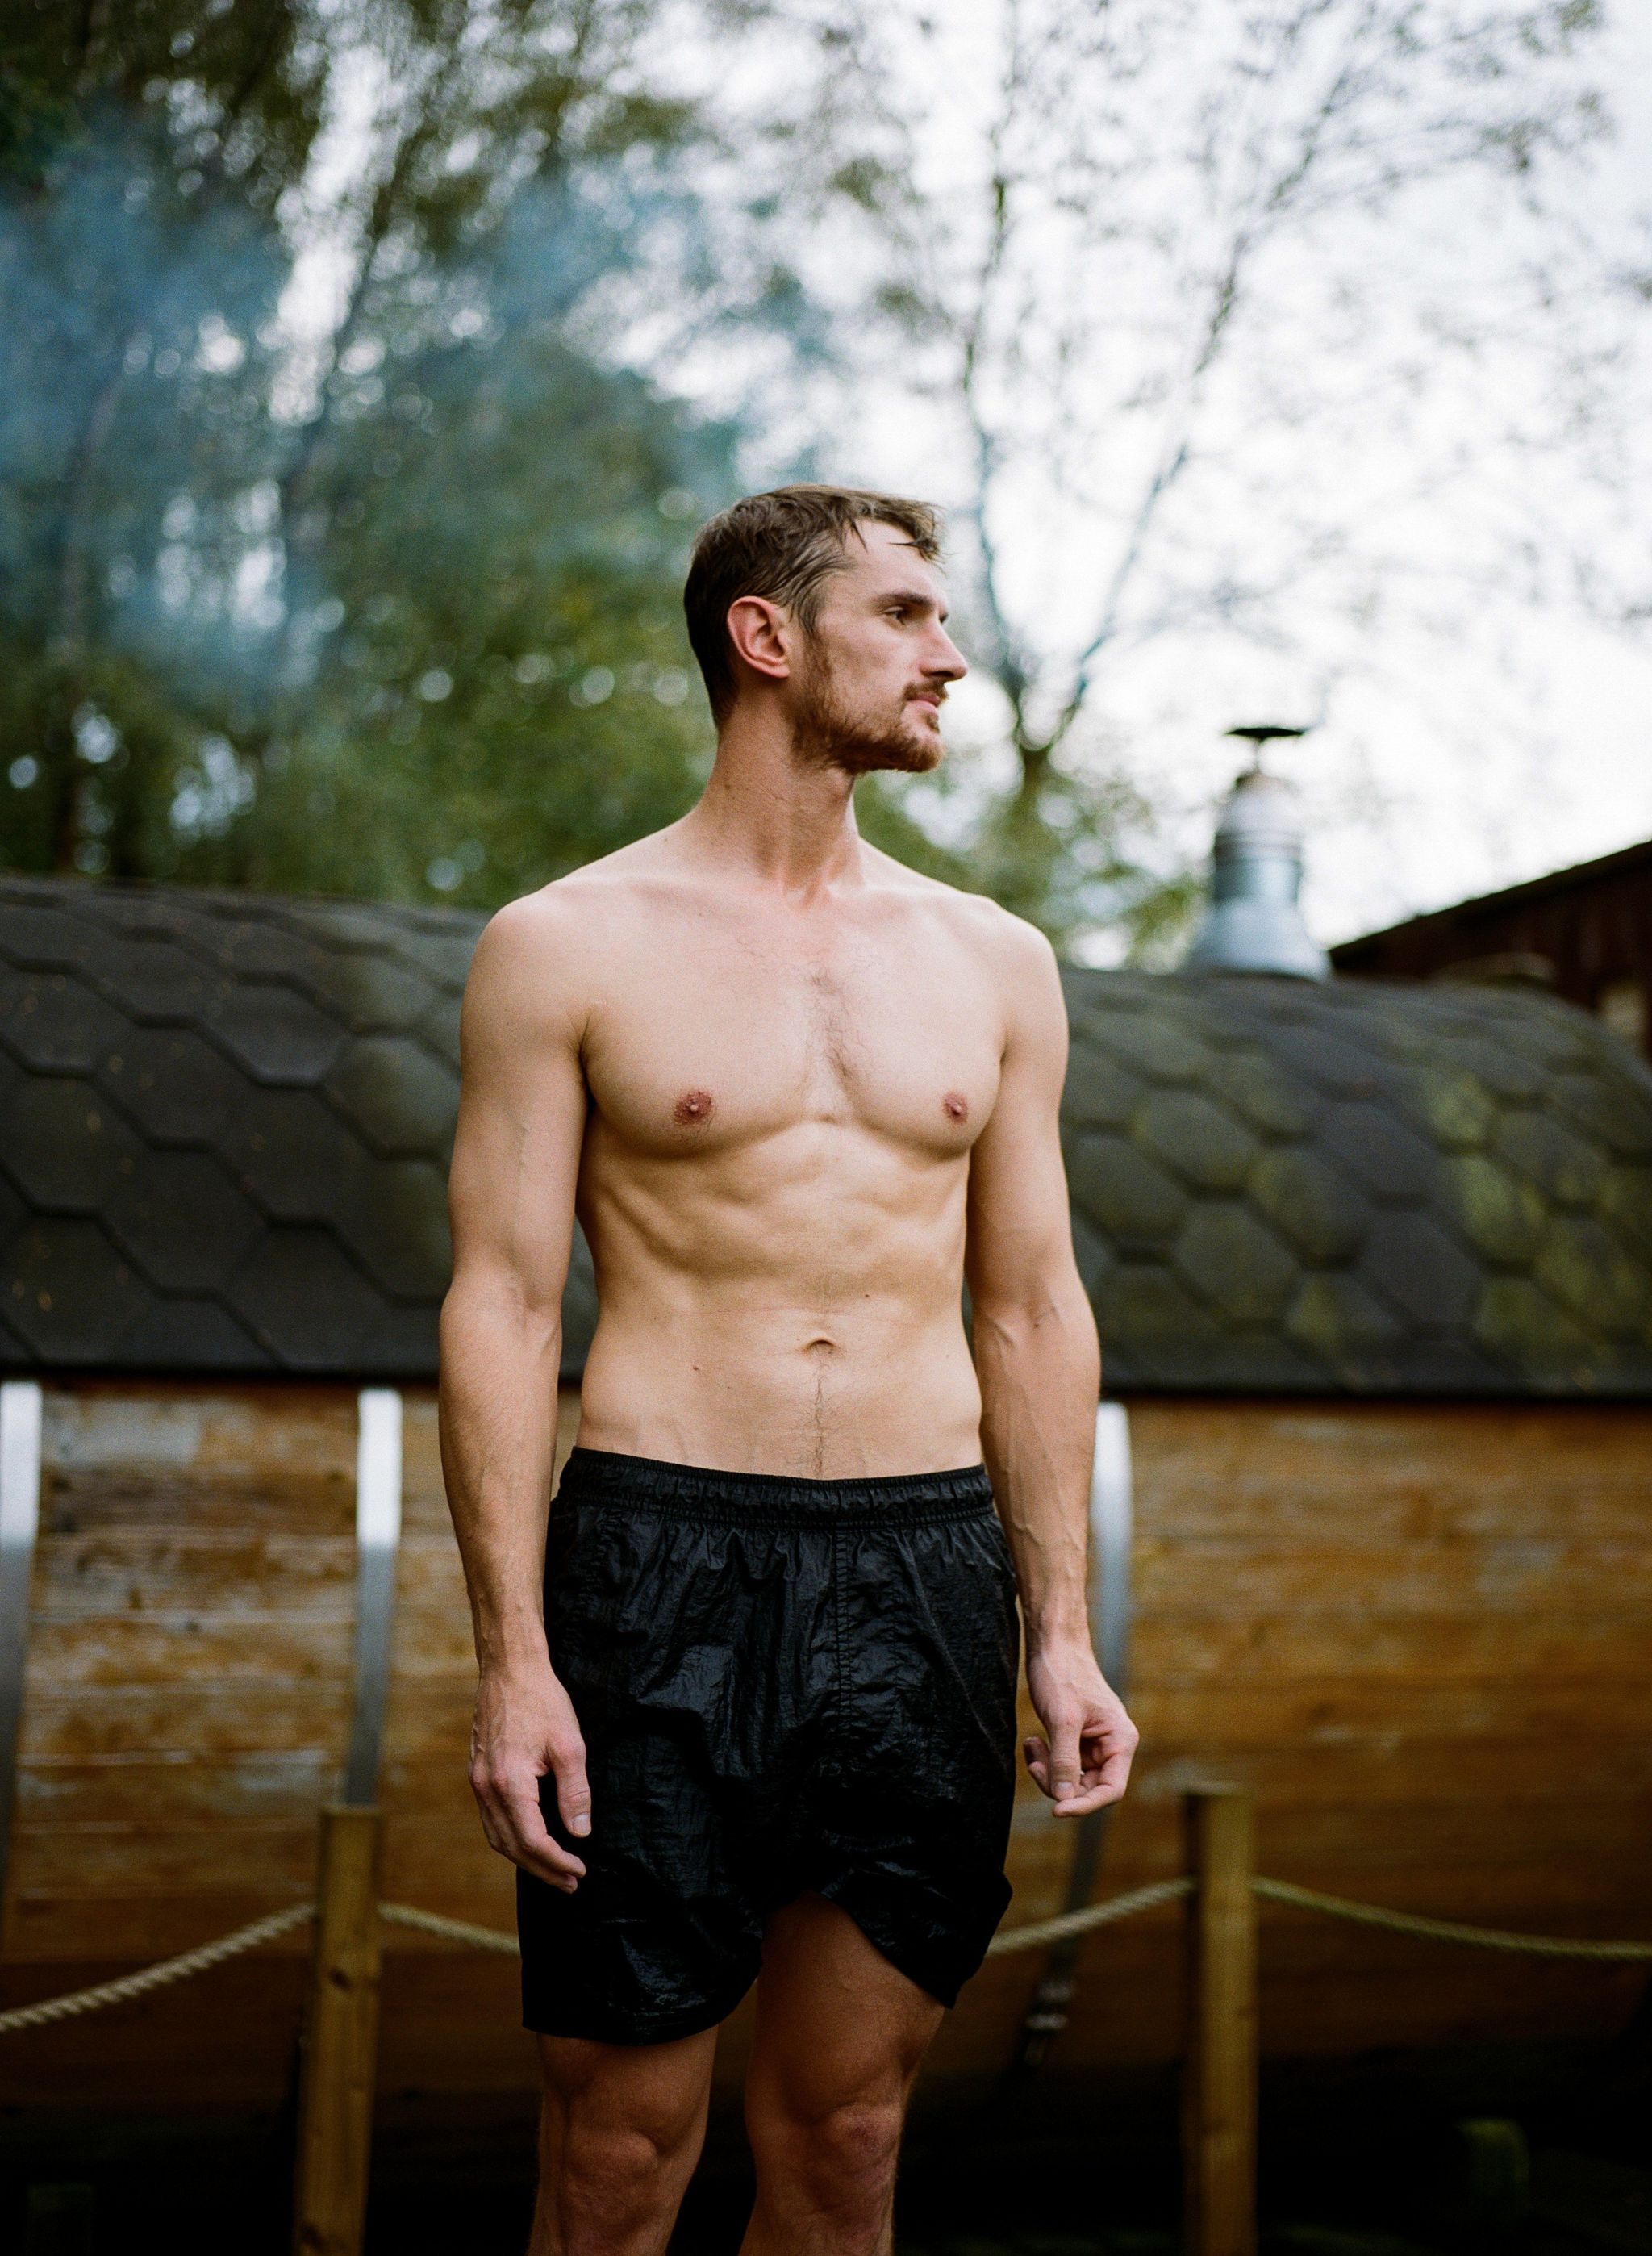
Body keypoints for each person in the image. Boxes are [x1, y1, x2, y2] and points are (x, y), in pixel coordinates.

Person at [439, 483, 1137, 2256]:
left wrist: (1058, 1630)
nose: (948, 656)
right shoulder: (563, 944)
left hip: (922, 1569)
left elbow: (1032, 1306)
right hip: (661, 1560)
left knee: (845, 2128)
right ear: (767, 637)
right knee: (618, 2142)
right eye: (904, 615)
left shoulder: (997, 962)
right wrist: (513, 1662)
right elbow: (507, 1305)